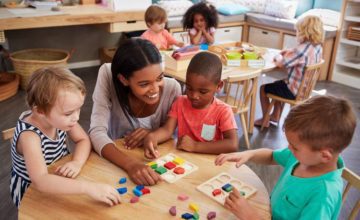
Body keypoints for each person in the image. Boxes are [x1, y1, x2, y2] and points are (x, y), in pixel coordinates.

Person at [215, 95, 357, 220]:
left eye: (295, 147)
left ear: (325, 155)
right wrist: (248, 154)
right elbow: (271, 156)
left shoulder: (323, 195)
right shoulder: (302, 158)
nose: (289, 148)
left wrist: (251, 216)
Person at [10, 67, 121, 208]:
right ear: (40, 111)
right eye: (69, 113)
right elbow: (41, 181)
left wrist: (77, 163)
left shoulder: (60, 118)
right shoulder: (29, 137)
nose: (77, 117)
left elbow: (83, 140)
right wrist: (88, 188)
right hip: (32, 192)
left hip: (59, 176)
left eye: (78, 109)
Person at [89, 38, 182, 185]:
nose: (155, 89)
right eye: (144, 84)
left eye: (159, 78)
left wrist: (153, 133)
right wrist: (130, 165)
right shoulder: (108, 74)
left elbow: (169, 132)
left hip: (153, 164)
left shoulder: (173, 89)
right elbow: (96, 132)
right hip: (115, 160)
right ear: (124, 80)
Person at [144, 52, 238, 159]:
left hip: (210, 163)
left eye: (202, 91)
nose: (194, 96)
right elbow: (167, 130)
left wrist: (196, 146)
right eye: (189, 88)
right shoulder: (180, 102)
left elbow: (232, 144)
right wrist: (152, 137)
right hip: (184, 161)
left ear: (219, 86)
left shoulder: (223, 111)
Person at [254, 15, 324, 127]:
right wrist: (290, 52)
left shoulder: (300, 50)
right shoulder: (317, 47)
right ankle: (275, 116)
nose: (296, 33)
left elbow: (281, 63)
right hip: (305, 89)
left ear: (304, 32)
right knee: (277, 85)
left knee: (263, 89)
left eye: (297, 31)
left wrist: (278, 56)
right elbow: (300, 56)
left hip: (293, 91)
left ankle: (265, 120)